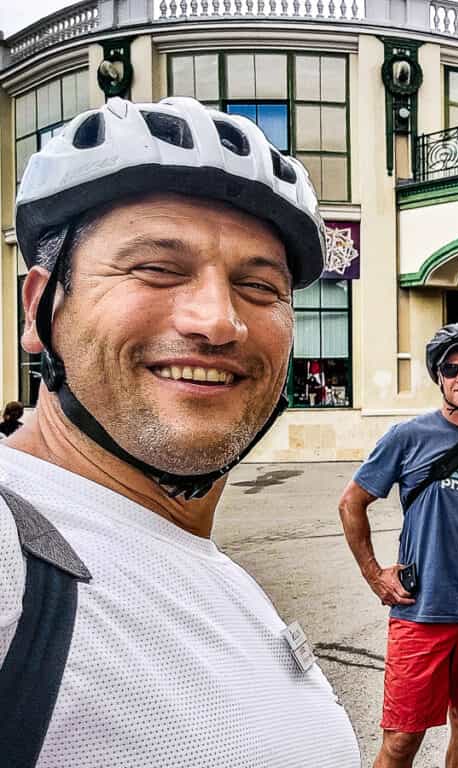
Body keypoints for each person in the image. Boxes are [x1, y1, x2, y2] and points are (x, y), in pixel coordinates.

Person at [0, 97, 359, 766]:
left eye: (259, 285)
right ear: (39, 307)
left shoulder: (205, 568)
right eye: (158, 269)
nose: (218, 322)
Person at [339, 322, 458, 768]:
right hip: (421, 612)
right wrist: (375, 575)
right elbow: (352, 503)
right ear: (439, 377)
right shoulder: (408, 437)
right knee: (403, 737)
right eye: (450, 369)